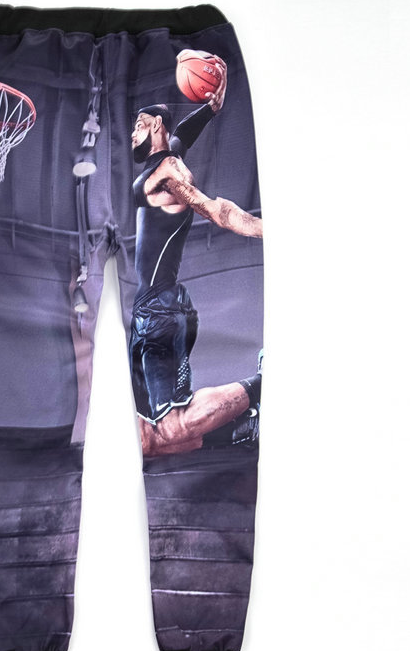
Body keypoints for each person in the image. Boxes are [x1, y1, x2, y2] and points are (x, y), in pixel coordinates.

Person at [129, 51, 263, 456]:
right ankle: (241, 428)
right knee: (148, 440)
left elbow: (217, 210)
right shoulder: (166, 160)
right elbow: (181, 137)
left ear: (155, 124)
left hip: (160, 309)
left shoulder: (168, 174)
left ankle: (266, 382)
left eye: (138, 125)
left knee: (171, 427)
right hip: (150, 308)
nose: (132, 133)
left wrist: (267, 230)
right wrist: (210, 109)